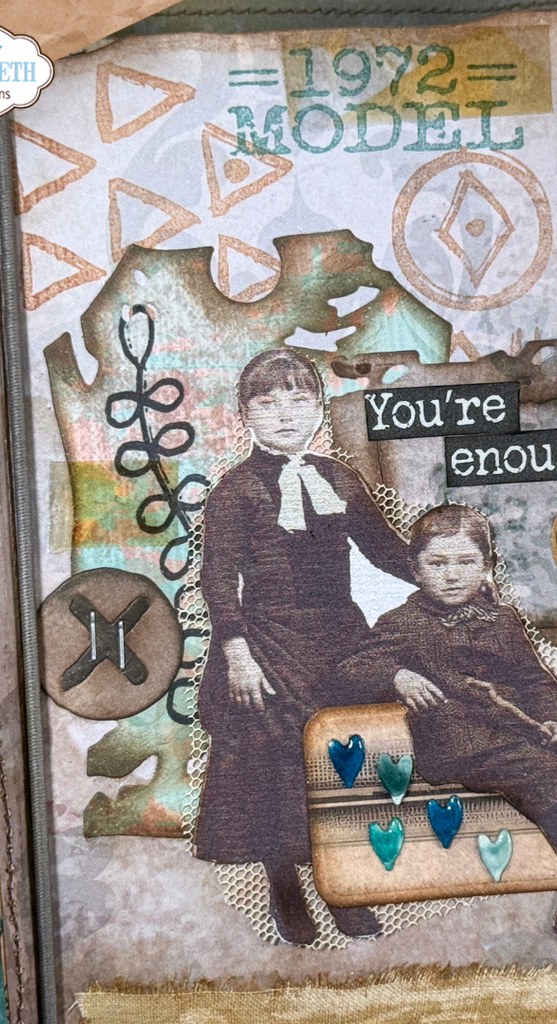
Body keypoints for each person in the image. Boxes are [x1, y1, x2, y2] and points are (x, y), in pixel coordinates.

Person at [339, 504, 557, 950]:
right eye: (437, 564)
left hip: (514, 736)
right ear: (415, 569)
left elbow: (535, 680)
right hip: (456, 744)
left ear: (486, 566)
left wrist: (553, 720)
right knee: (552, 777)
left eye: (466, 562)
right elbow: (351, 668)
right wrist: (397, 676)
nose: (452, 575)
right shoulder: (403, 623)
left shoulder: (502, 619)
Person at [194, 349, 414, 944]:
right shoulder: (235, 490)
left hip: (338, 635)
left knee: (345, 754)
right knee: (279, 761)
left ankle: (339, 884)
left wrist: (453, 574)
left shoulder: (338, 478)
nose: (286, 414)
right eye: (267, 403)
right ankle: (285, 885)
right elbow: (218, 579)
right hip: (266, 642)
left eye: (299, 399)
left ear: (319, 406)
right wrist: (237, 654)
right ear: (245, 415)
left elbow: (386, 551)